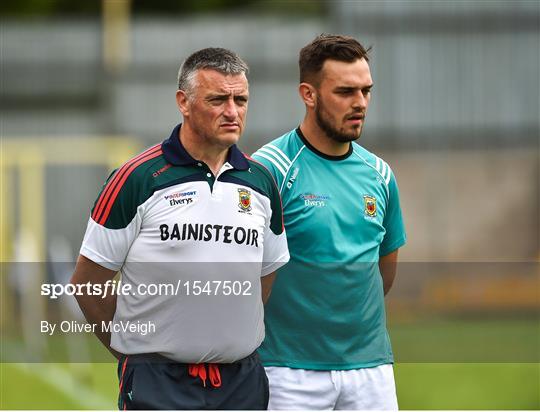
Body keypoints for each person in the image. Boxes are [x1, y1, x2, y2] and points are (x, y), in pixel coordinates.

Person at [71, 47, 289, 410]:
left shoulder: (262, 183)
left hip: (242, 382)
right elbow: (88, 283)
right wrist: (134, 351)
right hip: (158, 382)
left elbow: (263, 278)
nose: (232, 111)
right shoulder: (136, 179)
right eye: (218, 99)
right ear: (183, 102)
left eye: (241, 99)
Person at [252, 34, 406, 410]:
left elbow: (384, 271)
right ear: (309, 94)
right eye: (345, 92)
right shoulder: (268, 170)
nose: (360, 103)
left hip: (371, 372)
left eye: (366, 91)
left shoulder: (380, 174)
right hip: (287, 372)